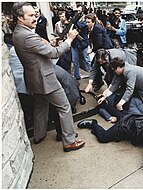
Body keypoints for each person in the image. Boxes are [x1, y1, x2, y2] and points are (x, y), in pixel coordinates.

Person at [12, 2, 85, 152]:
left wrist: (52, 43)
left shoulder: (18, 32)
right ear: (20, 17)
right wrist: (69, 40)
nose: (35, 17)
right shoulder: (26, 36)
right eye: (31, 15)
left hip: (34, 79)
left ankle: (39, 135)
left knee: (40, 106)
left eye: (34, 14)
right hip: (45, 79)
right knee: (64, 107)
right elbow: (54, 53)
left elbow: (39, 50)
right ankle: (70, 141)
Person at [71, 5, 92, 80]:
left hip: (83, 43)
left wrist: (75, 21)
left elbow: (82, 26)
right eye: (77, 11)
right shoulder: (75, 20)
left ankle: (92, 75)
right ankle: (77, 76)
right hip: (75, 43)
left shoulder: (84, 21)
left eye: (79, 11)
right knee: (75, 60)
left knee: (87, 60)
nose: (77, 12)